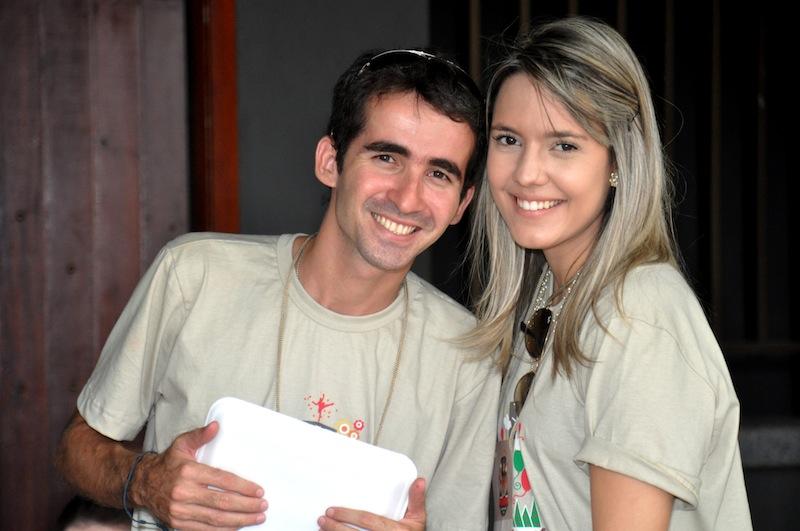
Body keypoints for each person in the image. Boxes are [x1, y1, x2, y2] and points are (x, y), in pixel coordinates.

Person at [56, 48, 500, 531]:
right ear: (330, 161)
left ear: (462, 204)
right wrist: (147, 482)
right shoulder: (196, 274)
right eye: (387, 157)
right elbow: (77, 448)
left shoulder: (470, 355)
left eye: (438, 174)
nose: (408, 198)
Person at [467, 17, 752, 530]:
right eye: (508, 139)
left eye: (564, 145)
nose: (527, 172)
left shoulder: (637, 315)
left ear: (618, 160)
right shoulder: (553, 293)